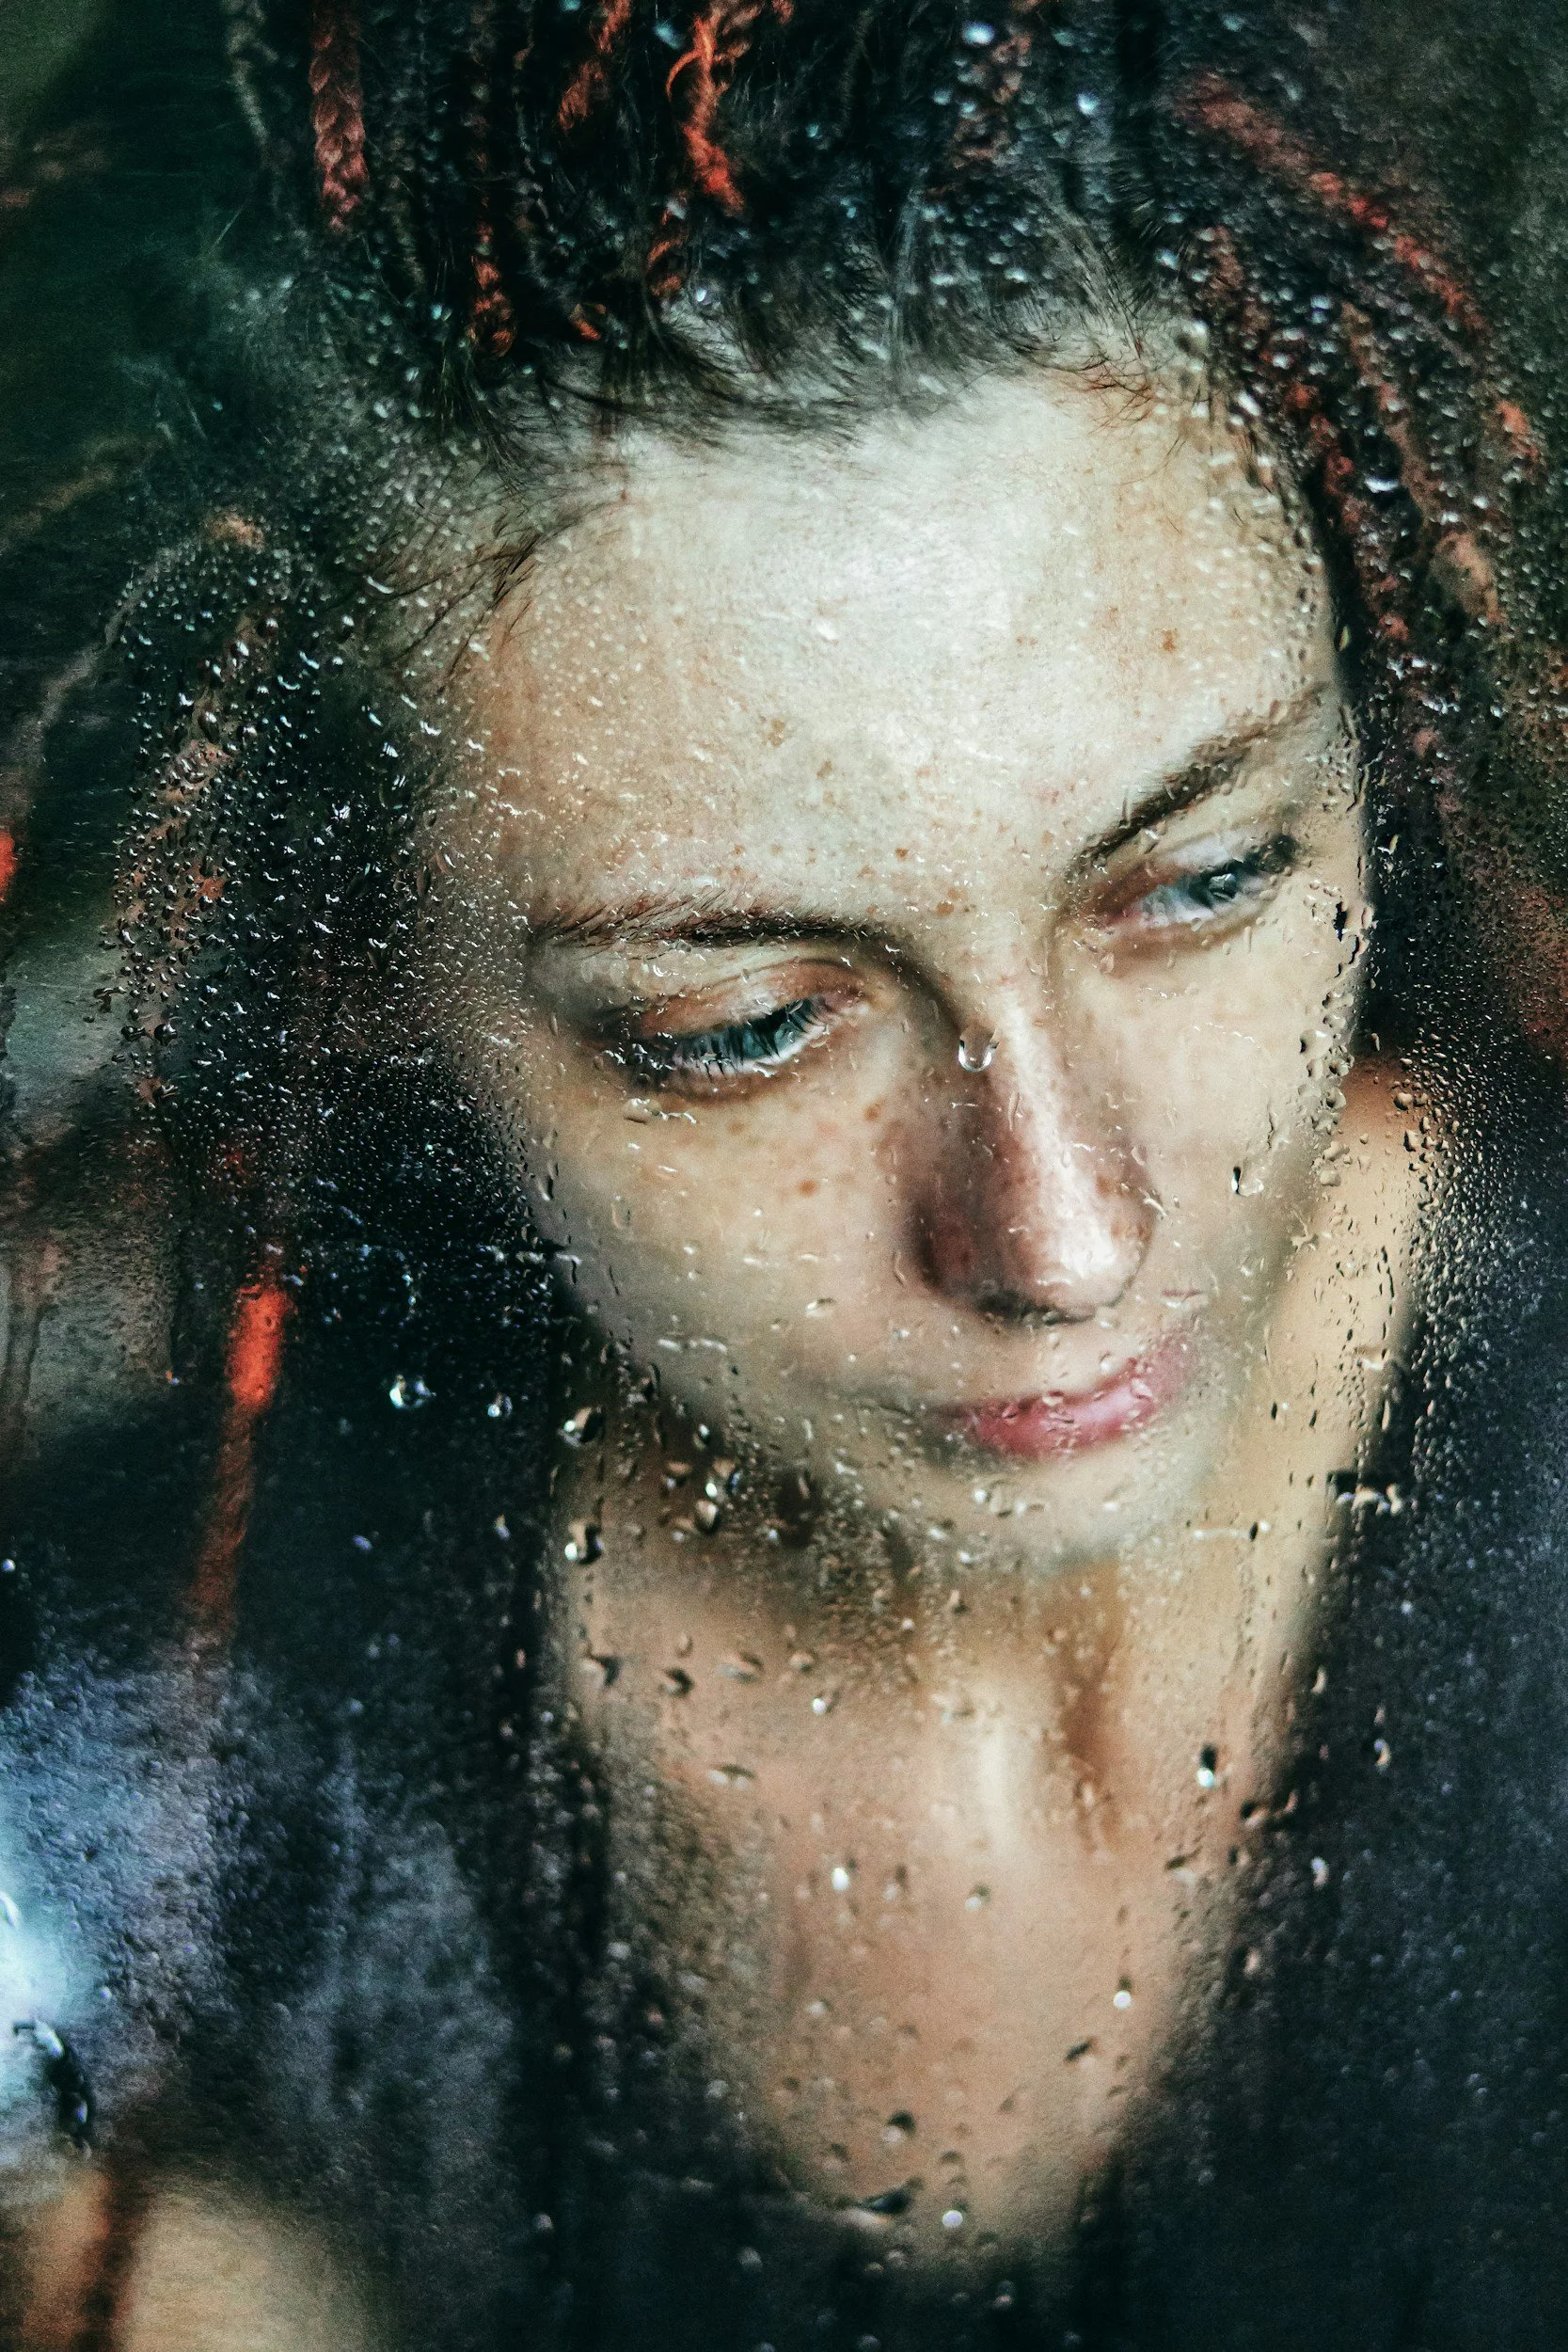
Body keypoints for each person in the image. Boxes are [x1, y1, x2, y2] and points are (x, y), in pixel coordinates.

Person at [5, 2, 1568, 2346]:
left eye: (1202, 879)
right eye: (735, 1029)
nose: (1066, 1235)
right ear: (364, 974)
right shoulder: (169, 1735)